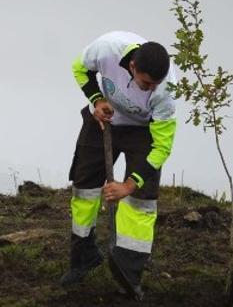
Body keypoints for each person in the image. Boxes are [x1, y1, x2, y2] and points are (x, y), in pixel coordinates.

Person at [59, 31, 177, 301]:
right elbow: (80, 68)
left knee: (140, 200)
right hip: (103, 120)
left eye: (154, 85)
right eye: (146, 83)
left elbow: (162, 148)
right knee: (84, 188)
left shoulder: (167, 91)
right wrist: (97, 100)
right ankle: (83, 257)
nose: (151, 89)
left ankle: (128, 273)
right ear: (133, 66)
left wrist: (129, 184)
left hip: (144, 132)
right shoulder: (107, 48)